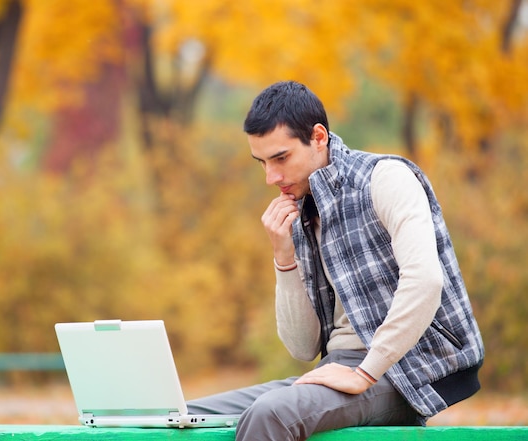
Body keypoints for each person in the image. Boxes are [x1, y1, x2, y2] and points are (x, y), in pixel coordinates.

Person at [186, 81, 485, 441]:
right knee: (183, 416)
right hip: (336, 371)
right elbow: (302, 347)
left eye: (281, 158)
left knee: (271, 415)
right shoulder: (300, 209)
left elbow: (425, 282)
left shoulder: (386, 179)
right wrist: (284, 257)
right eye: (262, 163)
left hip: (407, 368)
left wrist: (365, 373)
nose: (271, 177)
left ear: (318, 137)